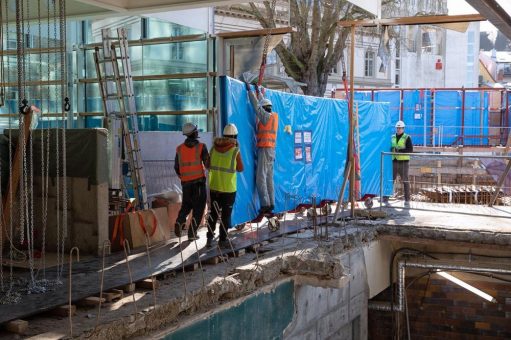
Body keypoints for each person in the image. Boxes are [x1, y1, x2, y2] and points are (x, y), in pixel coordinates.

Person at [206, 123, 244, 248]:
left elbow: (207, 165)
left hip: (214, 187)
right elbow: (240, 168)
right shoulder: (235, 151)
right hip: (228, 189)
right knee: (225, 216)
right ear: (235, 136)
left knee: (213, 213)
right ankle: (222, 240)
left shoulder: (213, 149)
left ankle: (209, 239)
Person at [245, 82, 278, 214]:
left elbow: (256, 107)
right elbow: (261, 106)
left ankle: (265, 204)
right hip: (271, 151)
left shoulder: (265, 116)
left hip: (264, 149)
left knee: (260, 178)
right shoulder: (273, 117)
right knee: (269, 178)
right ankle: (271, 203)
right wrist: (259, 93)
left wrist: (250, 92)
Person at [174, 122, 209, 240]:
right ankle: (191, 234)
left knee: (186, 206)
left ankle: (179, 222)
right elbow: (208, 164)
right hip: (198, 183)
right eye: (196, 130)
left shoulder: (179, 149)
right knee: (198, 209)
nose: (198, 132)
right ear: (194, 133)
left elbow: (176, 167)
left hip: (186, 184)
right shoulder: (201, 147)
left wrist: (184, 178)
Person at [391, 120, 413, 205]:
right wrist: (392, 149)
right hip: (394, 161)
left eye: (400, 128)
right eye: (397, 128)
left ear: (403, 129)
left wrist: (399, 150)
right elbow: (390, 147)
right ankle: (385, 198)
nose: (398, 129)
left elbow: (410, 150)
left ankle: (407, 199)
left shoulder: (407, 137)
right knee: (390, 180)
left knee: (405, 181)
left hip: (404, 163)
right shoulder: (392, 137)